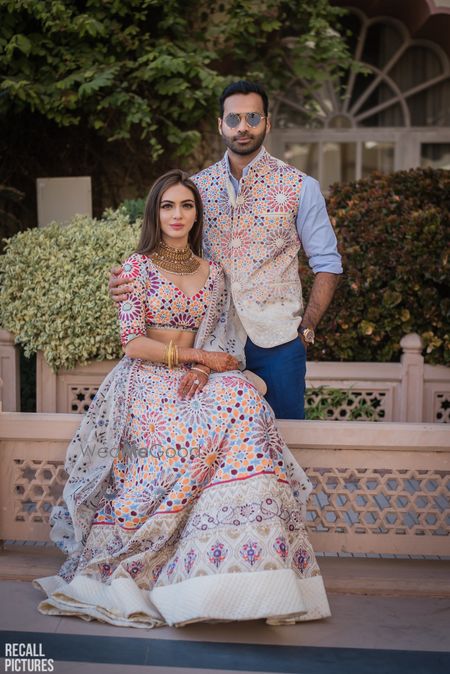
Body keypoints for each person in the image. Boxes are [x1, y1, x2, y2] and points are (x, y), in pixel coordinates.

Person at [33, 170, 331, 628]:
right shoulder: (136, 268)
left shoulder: (214, 274)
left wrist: (200, 366)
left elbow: (219, 336)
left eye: (186, 206)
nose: (177, 214)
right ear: (156, 211)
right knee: (206, 430)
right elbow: (132, 342)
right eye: (168, 206)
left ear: (197, 214)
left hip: (193, 376)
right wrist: (195, 356)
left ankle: (237, 569)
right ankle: (166, 560)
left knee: (245, 404)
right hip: (145, 380)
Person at [109, 81, 342, 420]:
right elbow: (168, 255)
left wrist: (305, 331)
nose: (242, 127)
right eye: (233, 119)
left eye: (252, 117)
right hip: (207, 342)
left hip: (277, 341)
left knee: (286, 436)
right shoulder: (197, 188)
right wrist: (126, 281)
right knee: (215, 446)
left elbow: (328, 263)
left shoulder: (300, 187)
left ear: (267, 122)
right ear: (221, 124)